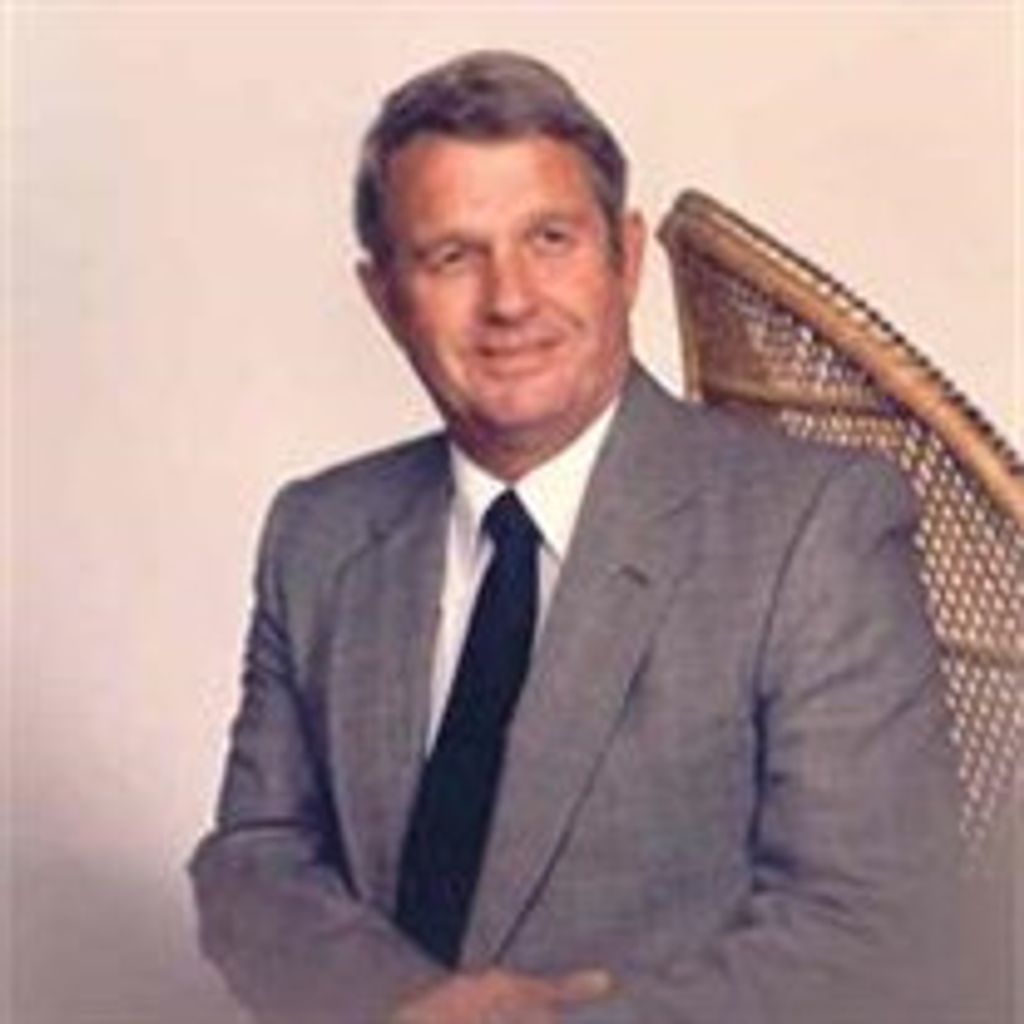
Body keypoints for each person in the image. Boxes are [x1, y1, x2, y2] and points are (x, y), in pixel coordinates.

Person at [190, 51, 960, 1024]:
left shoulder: (811, 527)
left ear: (625, 259)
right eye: (452, 256)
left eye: (549, 239)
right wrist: (401, 1004)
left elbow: (876, 930)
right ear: (385, 297)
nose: (509, 300)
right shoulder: (318, 534)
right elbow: (252, 860)